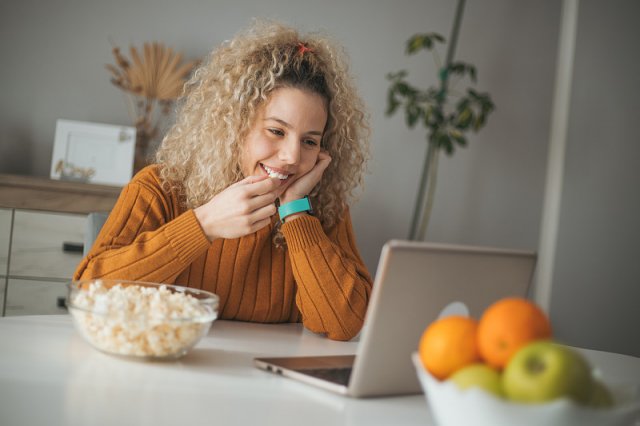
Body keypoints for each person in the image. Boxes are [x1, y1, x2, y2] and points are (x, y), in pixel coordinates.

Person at [74, 20, 372, 341]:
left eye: (310, 141)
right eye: (276, 131)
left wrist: (297, 215)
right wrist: (203, 225)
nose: (291, 156)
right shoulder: (159, 188)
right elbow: (91, 290)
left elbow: (345, 324)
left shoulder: (322, 208)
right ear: (236, 125)